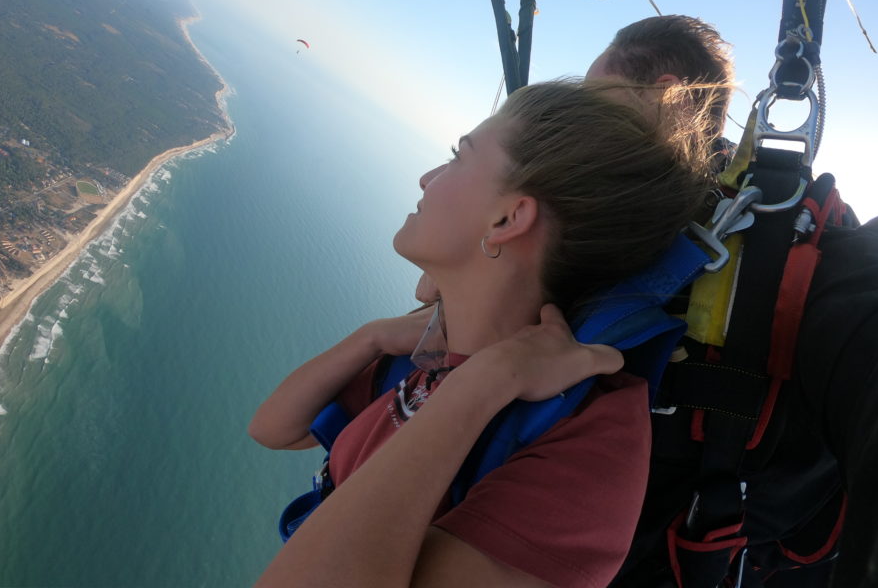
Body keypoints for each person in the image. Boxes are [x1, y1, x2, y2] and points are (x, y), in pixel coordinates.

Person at [249, 80, 714, 588]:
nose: (427, 178)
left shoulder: (590, 438)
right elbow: (276, 430)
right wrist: (374, 336)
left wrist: (484, 383)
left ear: (508, 218)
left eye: (457, 158)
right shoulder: (421, 351)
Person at [578, 15, 878, 587]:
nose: (575, 124)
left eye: (594, 101)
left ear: (666, 94)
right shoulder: (589, 219)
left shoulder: (791, 235)